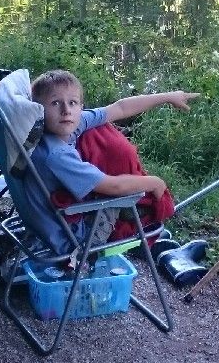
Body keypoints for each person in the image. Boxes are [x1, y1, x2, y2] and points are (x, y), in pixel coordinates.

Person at [22, 68, 198, 255]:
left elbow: (119, 108)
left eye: (72, 103)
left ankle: (138, 222)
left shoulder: (61, 127)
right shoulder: (56, 155)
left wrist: (169, 97)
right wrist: (154, 182)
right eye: (55, 103)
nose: (66, 110)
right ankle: (139, 232)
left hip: (48, 224)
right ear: (38, 110)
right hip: (71, 237)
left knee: (99, 129)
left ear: (81, 107)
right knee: (127, 198)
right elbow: (113, 186)